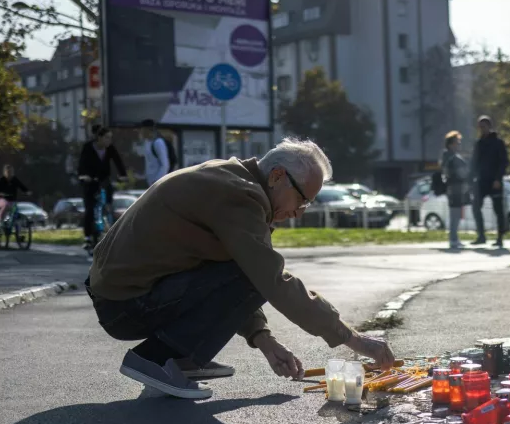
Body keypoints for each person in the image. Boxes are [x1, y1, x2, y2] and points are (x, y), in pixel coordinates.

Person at [86, 138, 396, 399]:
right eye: (302, 201)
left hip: (122, 294)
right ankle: (156, 358)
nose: (299, 214)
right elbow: (270, 280)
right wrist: (355, 340)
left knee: (250, 271)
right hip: (126, 304)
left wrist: (262, 337)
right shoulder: (241, 196)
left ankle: (181, 359)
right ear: (276, 176)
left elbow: (227, 269)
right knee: (258, 274)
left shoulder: (234, 180)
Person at [79, 125, 128, 248]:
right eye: (106, 138)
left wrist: (123, 175)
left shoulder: (110, 148)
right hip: (90, 181)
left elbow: (118, 161)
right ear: (99, 138)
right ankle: (88, 237)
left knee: (109, 204)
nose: (109, 141)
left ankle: (111, 227)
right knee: (90, 209)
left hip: (104, 179)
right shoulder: (88, 147)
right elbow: (82, 164)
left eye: (110, 138)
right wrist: (83, 176)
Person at [469, 115, 508, 247]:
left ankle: (500, 238)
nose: (481, 129)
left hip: (494, 181)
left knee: (498, 210)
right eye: (479, 127)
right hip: (481, 181)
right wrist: (471, 178)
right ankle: (481, 235)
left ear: (489, 127)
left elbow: (503, 162)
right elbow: (474, 162)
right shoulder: (478, 143)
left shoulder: (498, 143)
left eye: (484, 126)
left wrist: (498, 178)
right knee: (475, 207)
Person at [441, 130, 468, 249]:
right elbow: (455, 172)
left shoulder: (449, 156)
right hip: (454, 188)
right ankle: (453, 239)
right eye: (457, 142)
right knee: (455, 214)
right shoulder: (450, 156)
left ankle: (455, 237)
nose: (459, 145)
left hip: (456, 188)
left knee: (457, 214)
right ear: (451, 144)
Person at [140, 119, 170, 186]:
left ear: (149, 129)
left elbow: (165, 165)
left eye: (143, 130)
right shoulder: (147, 143)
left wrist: (157, 181)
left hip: (157, 184)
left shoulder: (158, 142)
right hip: (150, 184)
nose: (141, 132)